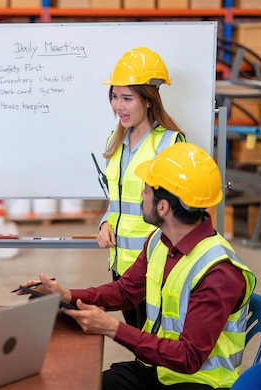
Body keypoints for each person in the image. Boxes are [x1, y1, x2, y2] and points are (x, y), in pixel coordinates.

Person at [18, 142, 256, 390]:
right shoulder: (160, 241)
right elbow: (126, 291)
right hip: (158, 370)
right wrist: (67, 295)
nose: (141, 194)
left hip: (202, 386)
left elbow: (189, 358)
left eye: (146, 189)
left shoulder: (219, 272)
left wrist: (111, 328)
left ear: (163, 206)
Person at [97, 46, 186, 329]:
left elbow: (182, 215)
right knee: (138, 345)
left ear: (147, 100)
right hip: (121, 267)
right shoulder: (117, 140)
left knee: (153, 347)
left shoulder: (170, 144)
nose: (118, 106)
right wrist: (104, 223)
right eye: (114, 96)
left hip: (153, 269)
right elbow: (117, 200)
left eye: (127, 98)